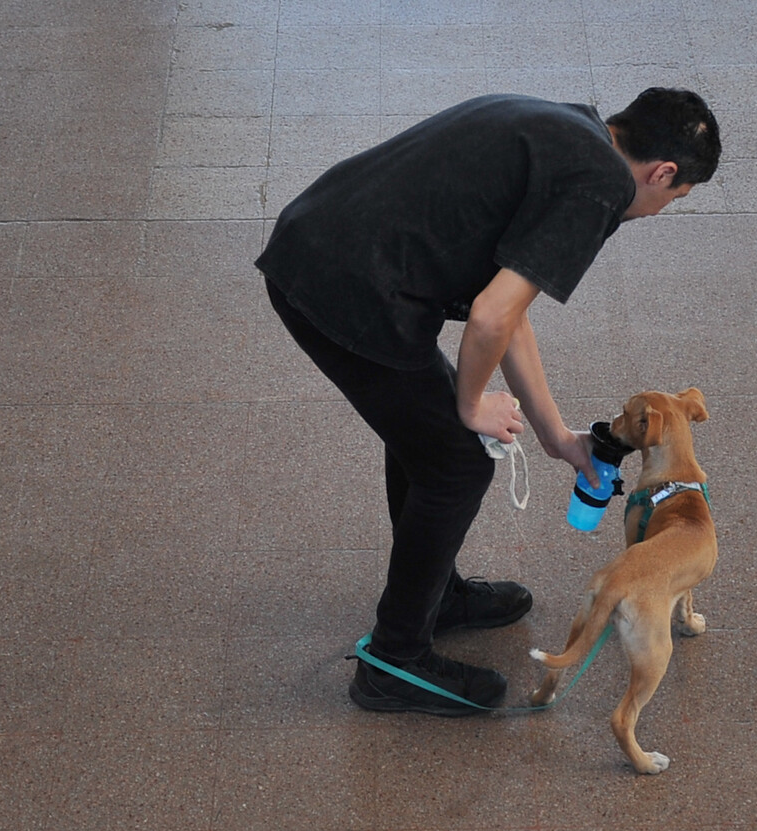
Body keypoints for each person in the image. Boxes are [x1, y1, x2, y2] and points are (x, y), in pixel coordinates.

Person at [256, 88, 721, 716]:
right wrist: (472, 406)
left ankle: (433, 597)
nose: (663, 209)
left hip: (326, 244)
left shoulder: (570, 130)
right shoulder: (599, 186)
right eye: (676, 197)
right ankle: (394, 660)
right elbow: (490, 316)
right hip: (344, 283)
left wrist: (557, 436)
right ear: (663, 173)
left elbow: (511, 314)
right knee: (456, 461)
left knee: (427, 438)